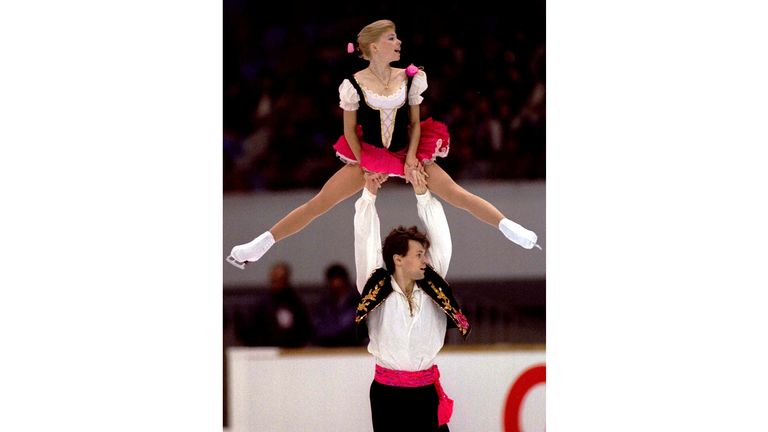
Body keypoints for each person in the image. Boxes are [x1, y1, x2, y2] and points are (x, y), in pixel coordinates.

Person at [227, 19, 538, 270]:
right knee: (319, 203)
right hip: (370, 153)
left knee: (457, 194)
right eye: (391, 38)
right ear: (374, 47)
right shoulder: (352, 85)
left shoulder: (412, 77)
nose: (398, 42)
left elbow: (415, 123)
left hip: (409, 150)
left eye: (397, 37)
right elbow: (349, 131)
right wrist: (365, 163)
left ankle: (510, 228)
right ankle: (259, 244)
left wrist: (412, 159)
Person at [354, 170, 466, 431]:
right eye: (418, 254)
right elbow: (365, 240)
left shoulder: (433, 284)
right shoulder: (374, 285)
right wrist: (369, 196)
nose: (425, 259)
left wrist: (423, 195)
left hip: (425, 392)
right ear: (398, 258)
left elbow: (442, 240)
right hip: (386, 396)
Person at [237, 261, 313, 347]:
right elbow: (250, 329)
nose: (277, 283)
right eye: (274, 279)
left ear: (286, 279)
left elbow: (305, 328)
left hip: (292, 350)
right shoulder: (260, 304)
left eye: (280, 279)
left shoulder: (296, 303)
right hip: (266, 350)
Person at [311, 263, 366, 347]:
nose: (336, 284)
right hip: (325, 347)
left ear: (345, 281)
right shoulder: (323, 304)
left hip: (352, 347)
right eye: (333, 281)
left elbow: (348, 326)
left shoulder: (356, 302)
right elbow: (318, 326)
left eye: (339, 280)